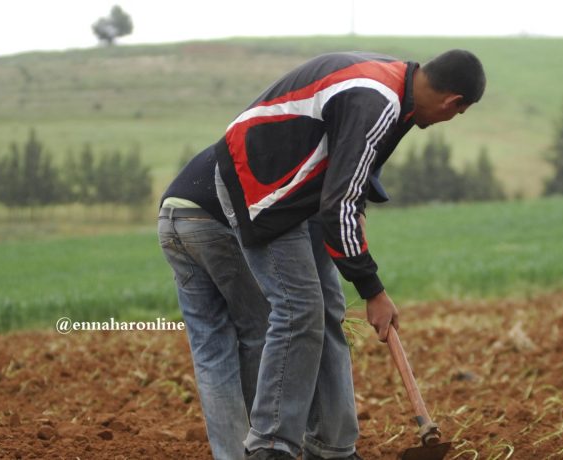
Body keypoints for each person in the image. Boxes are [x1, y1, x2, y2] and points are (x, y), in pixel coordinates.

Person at [214, 49, 486, 460]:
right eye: (458, 114)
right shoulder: (378, 100)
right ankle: (270, 447)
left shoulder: (398, 89)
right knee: (299, 309)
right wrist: (373, 290)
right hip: (261, 185)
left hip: (298, 189)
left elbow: (352, 175)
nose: (450, 119)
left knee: (327, 310)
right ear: (453, 103)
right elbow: (337, 202)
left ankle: (332, 447)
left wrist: (355, 215)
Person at [158, 145, 271, 460]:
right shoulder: (294, 147)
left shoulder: (252, 134)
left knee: (210, 349)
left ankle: (232, 455)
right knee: (259, 330)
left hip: (169, 218)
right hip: (210, 221)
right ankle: (261, 446)